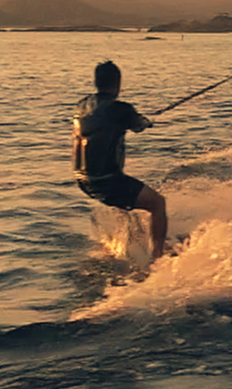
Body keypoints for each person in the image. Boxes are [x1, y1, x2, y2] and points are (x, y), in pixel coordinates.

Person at [73, 59, 170, 258]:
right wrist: (145, 121)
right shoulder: (121, 108)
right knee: (158, 203)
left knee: (124, 204)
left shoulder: (82, 105)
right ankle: (157, 258)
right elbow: (138, 126)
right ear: (118, 83)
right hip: (108, 181)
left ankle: (126, 243)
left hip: (83, 181)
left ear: (96, 82)